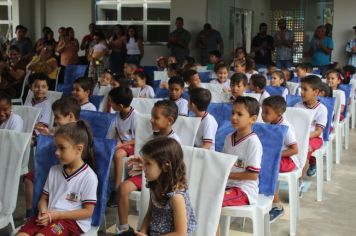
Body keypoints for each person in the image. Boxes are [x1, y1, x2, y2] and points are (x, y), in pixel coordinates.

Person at [17, 121, 98, 236]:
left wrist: (58, 215)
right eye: (56, 148)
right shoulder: (54, 170)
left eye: (62, 148)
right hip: (49, 216)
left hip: (69, 222)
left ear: (79, 149)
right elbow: (43, 199)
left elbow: (88, 212)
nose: (56, 152)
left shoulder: (89, 177)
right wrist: (43, 210)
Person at [116, 102, 182, 234]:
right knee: (123, 188)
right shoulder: (152, 137)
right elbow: (147, 159)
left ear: (169, 121)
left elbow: (172, 166)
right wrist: (141, 164)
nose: (151, 120)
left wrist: (145, 166)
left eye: (156, 117)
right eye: (152, 116)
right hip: (147, 174)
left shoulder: (174, 142)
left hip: (163, 178)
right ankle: (123, 228)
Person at [24, 96, 81, 219]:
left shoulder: (78, 133)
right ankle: (31, 213)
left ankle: (49, 212)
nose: (55, 121)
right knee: (29, 178)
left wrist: (48, 138)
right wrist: (47, 136)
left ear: (70, 116)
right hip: (54, 169)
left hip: (69, 174)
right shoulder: (61, 130)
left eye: (58, 117)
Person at [137, 137, 197, 235]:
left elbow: (180, 233)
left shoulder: (176, 197)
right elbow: (149, 213)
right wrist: (142, 232)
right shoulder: (155, 186)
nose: (143, 167)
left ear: (165, 166)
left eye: (148, 163)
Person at [262, 96, 299, 222]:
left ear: (278, 114)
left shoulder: (285, 127)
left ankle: (277, 206)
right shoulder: (269, 124)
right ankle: (263, 199)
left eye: (267, 113)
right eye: (263, 111)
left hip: (288, 160)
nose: (263, 115)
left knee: (267, 168)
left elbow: (295, 150)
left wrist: (275, 154)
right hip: (273, 157)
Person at [221, 96, 262, 207]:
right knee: (200, 193)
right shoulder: (229, 137)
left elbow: (253, 175)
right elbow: (224, 163)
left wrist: (226, 175)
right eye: (233, 113)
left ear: (253, 119)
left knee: (215, 200)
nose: (234, 117)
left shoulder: (253, 142)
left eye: (239, 114)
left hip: (244, 190)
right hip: (226, 185)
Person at [106, 87, 137, 207]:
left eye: (111, 102)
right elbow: (110, 135)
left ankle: (117, 189)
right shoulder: (117, 116)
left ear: (120, 106)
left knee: (118, 154)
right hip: (122, 144)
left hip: (132, 145)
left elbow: (138, 139)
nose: (110, 103)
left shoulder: (135, 117)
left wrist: (121, 145)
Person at [294, 75, 327, 178]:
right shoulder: (297, 106)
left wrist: (304, 138)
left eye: (305, 89)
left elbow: (318, 131)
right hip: (300, 137)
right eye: (301, 89)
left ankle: (299, 182)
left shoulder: (322, 109)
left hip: (315, 137)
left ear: (315, 92)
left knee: (305, 150)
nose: (301, 92)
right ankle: (294, 171)